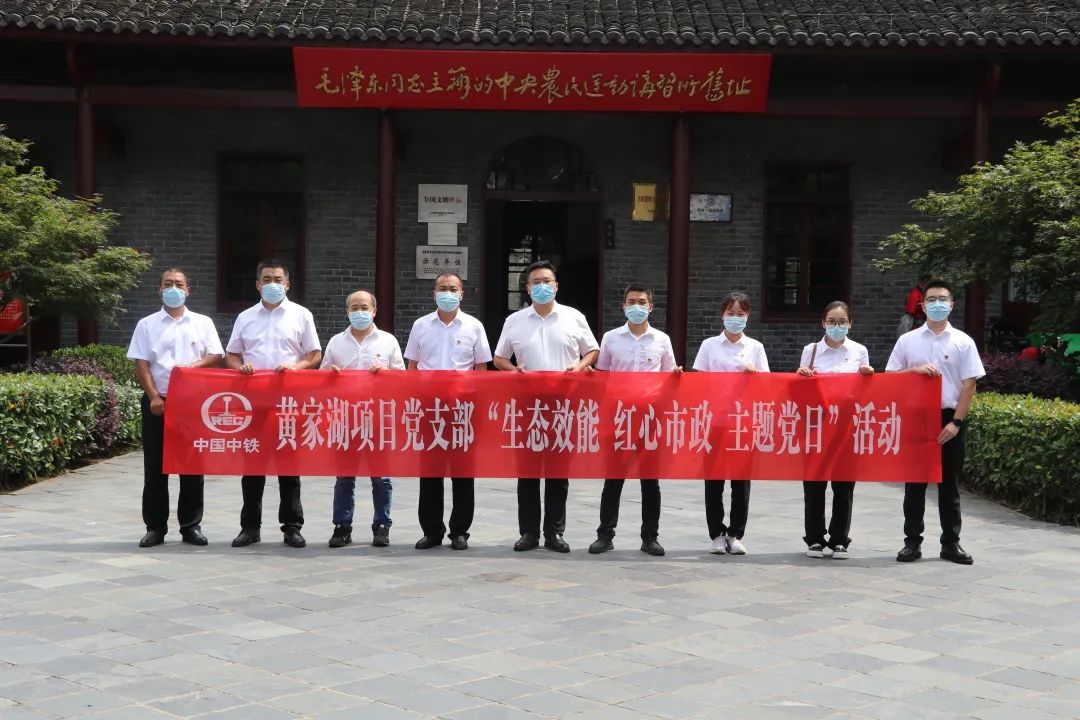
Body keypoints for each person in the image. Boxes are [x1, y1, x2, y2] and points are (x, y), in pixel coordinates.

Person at [494, 260, 599, 552]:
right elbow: (499, 358)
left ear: (556, 286)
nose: (542, 287)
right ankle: (528, 533)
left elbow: (592, 350)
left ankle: (554, 532)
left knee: (558, 472)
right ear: (527, 289)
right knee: (527, 471)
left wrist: (579, 367)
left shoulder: (573, 317)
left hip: (564, 404)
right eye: (535, 283)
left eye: (546, 282)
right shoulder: (515, 321)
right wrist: (513, 371)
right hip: (528, 406)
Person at [887, 279, 985, 565]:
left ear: (952, 304)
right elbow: (890, 377)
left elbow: (969, 384)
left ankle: (950, 544)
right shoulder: (908, 340)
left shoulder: (963, 341)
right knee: (914, 485)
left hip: (949, 418)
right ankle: (911, 543)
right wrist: (915, 371)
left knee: (949, 485)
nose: (937, 304)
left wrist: (956, 422)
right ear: (922, 305)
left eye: (943, 299)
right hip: (916, 418)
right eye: (931, 300)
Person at [225, 259, 321, 549]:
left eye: (278, 280)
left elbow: (314, 354)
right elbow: (231, 354)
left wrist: (296, 368)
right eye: (267, 279)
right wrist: (239, 367)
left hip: (289, 402)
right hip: (253, 402)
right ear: (258, 285)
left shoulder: (301, 315)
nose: (272, 284)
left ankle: (292, 527)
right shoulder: (245, 317)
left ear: (288, 284)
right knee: (252, 466)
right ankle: (249, 527)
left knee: (288, 467)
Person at [127, 268, 224, 547]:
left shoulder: (202, 323)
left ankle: (191, 526)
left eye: (179, 284)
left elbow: (215, 355)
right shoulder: (146, 324)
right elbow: (142, 363)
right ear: (159, 289)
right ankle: (155, 528)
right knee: (155, 468)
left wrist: (191, 366)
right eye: (168, 284)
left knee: (192, 466)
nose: (173, 288)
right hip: (158, 402)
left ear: (188, 290)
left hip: (193, 405)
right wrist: (154, 397)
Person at [588, 284, 680, 557]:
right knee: (613, 478)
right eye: (631, 302)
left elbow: (669, 376)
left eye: (641, 302)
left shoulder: (662, 339)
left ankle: (650, 537)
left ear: (651, 307)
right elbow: (602, 375)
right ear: (623, 306)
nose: (636, 306)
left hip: (650, 418)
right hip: (619, 417)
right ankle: (605, 535)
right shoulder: (611, 338)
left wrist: (677, 375)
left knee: (650, 481)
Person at [404, 272, 492, 551]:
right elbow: (412, 367)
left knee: (462, 472)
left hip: (462, 409)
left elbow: (481, 368)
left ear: (461, 294)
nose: (448, 293)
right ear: (434, 293)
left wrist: (476, 405)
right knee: (430, 472)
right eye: (442, 288)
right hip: (429, 408)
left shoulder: (474, 326)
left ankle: (460, 531)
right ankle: (431, 531)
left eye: (453, 289)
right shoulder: (420, 325)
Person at [320, 289, 403, 549]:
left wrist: (386, 373)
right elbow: (321, 377)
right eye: (354, 307)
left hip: (378, 417)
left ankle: (382, 525)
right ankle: (342, 526)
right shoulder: (336, 342)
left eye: (364, 307)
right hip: (345, 418)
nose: (359, 312)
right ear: (347, 312)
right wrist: (330, 374)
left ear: (374, 311)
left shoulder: (387, 341)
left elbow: (402, 378)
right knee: (344, 476)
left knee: (381, 477)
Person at [691, 291, 769, 556]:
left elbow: (767, 385)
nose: (735, 318)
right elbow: (698, 382)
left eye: (740, 314)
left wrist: (754, 376)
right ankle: (716, 534)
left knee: (740, 481)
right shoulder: (709, 345)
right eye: (730, 313)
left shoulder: (755, 347)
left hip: (743, 423)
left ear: (748, 316)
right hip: (714, 421)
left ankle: (735, 534)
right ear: (722, 315)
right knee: (714, 480)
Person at [796, 301, 873, 559]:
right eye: (831, 321)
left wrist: (868, 376)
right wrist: (801, 375)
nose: (836, 326)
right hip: (816, 426)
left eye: (842, 322)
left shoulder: (859, 351)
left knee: (844, 486)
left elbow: (864, 393)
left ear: (850, 324)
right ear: (823, 323)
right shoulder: (811, 350)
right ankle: (815, 539)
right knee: (814, 485)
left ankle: (839, 539)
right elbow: (801, 389)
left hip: (846, 427)